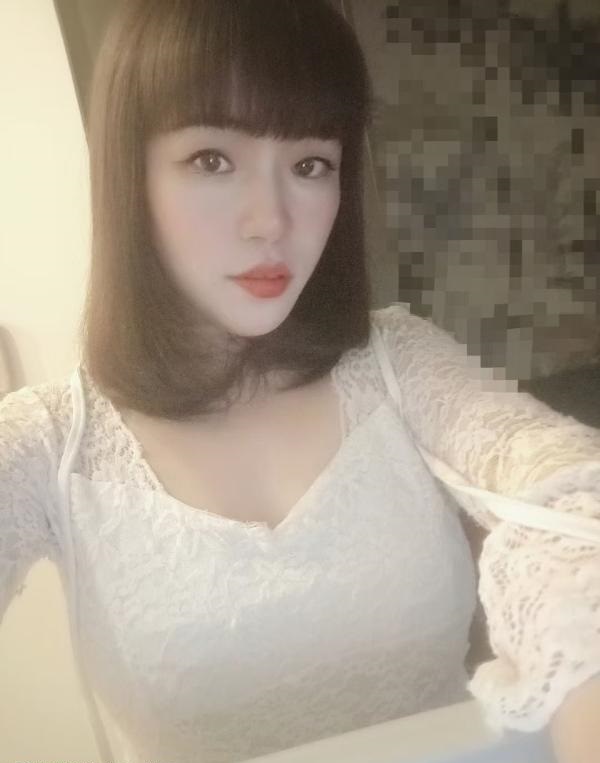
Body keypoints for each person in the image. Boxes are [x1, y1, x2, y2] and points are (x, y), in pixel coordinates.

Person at [1, 1, 599, 762]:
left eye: (311, 164)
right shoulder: (48, 444)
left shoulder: (397, 359)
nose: (271, 221)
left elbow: (570, 493)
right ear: (130, 175)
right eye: (212, 159)